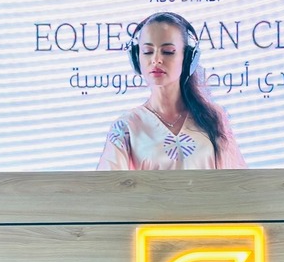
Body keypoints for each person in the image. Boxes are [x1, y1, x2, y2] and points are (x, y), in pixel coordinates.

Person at [96, 12, 246, 169]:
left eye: (167, 51)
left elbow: (236, 179)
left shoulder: (213, 118)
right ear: (136, 57)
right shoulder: (126, 127)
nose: (156, 60)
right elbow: (109, 182)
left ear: (187, 58)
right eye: (147, 51)